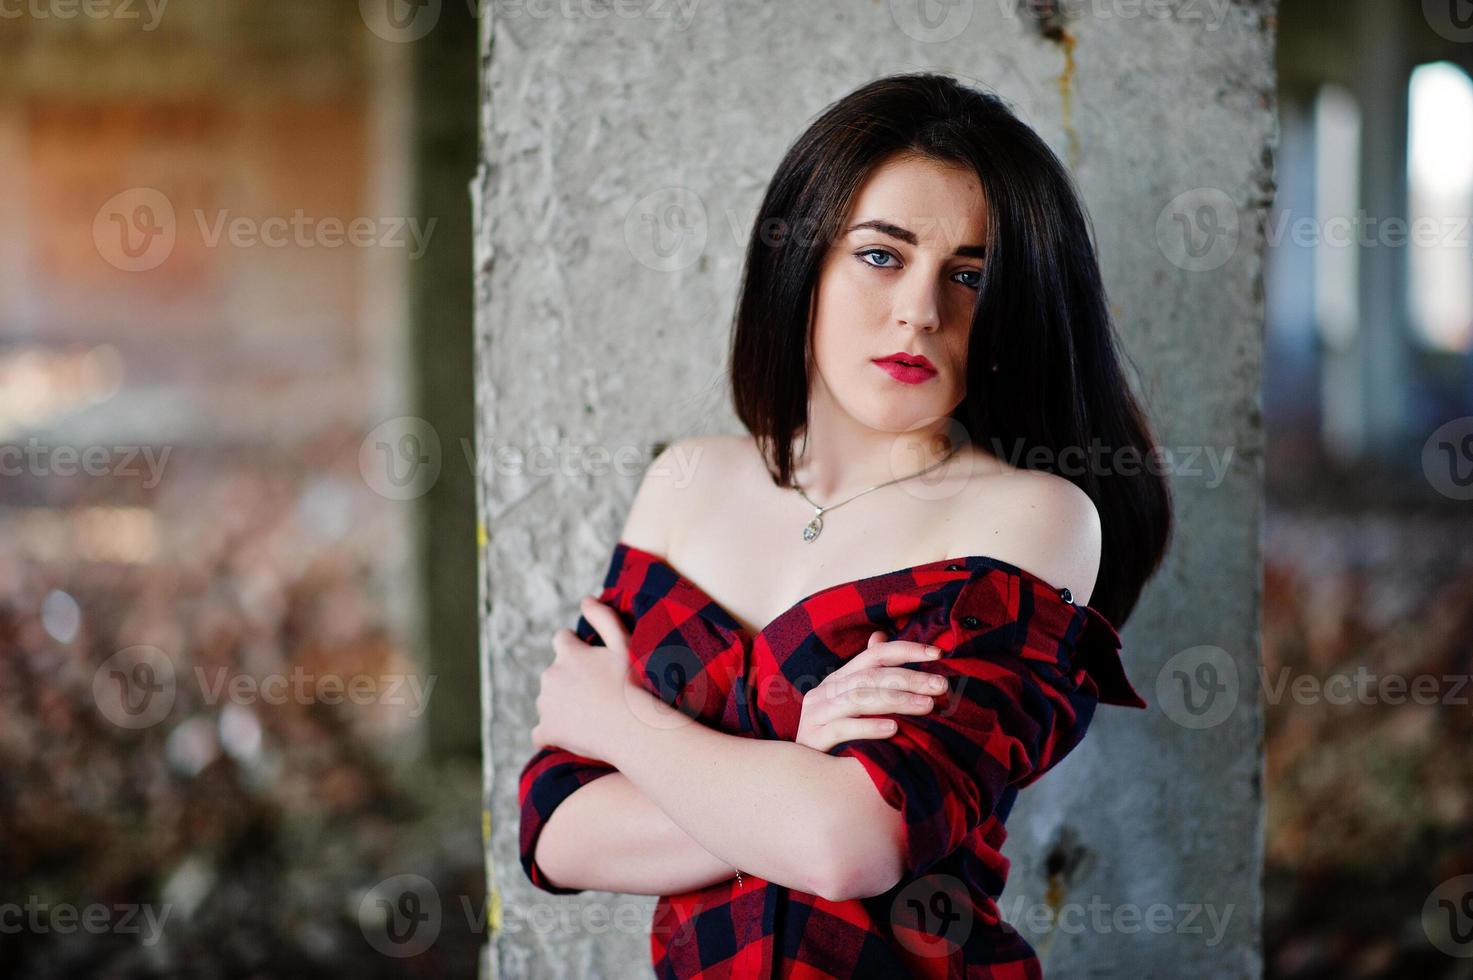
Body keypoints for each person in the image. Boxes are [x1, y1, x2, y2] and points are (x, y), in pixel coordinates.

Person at [519, 71, 1172, 978]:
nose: (919, 309)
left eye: (970, 275)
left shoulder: (1032, 518)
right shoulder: (688, 481)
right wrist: (791, 765)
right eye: (879, 255)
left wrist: (624, 725)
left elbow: (849, 844)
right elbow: (558, 830)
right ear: (803, 262)